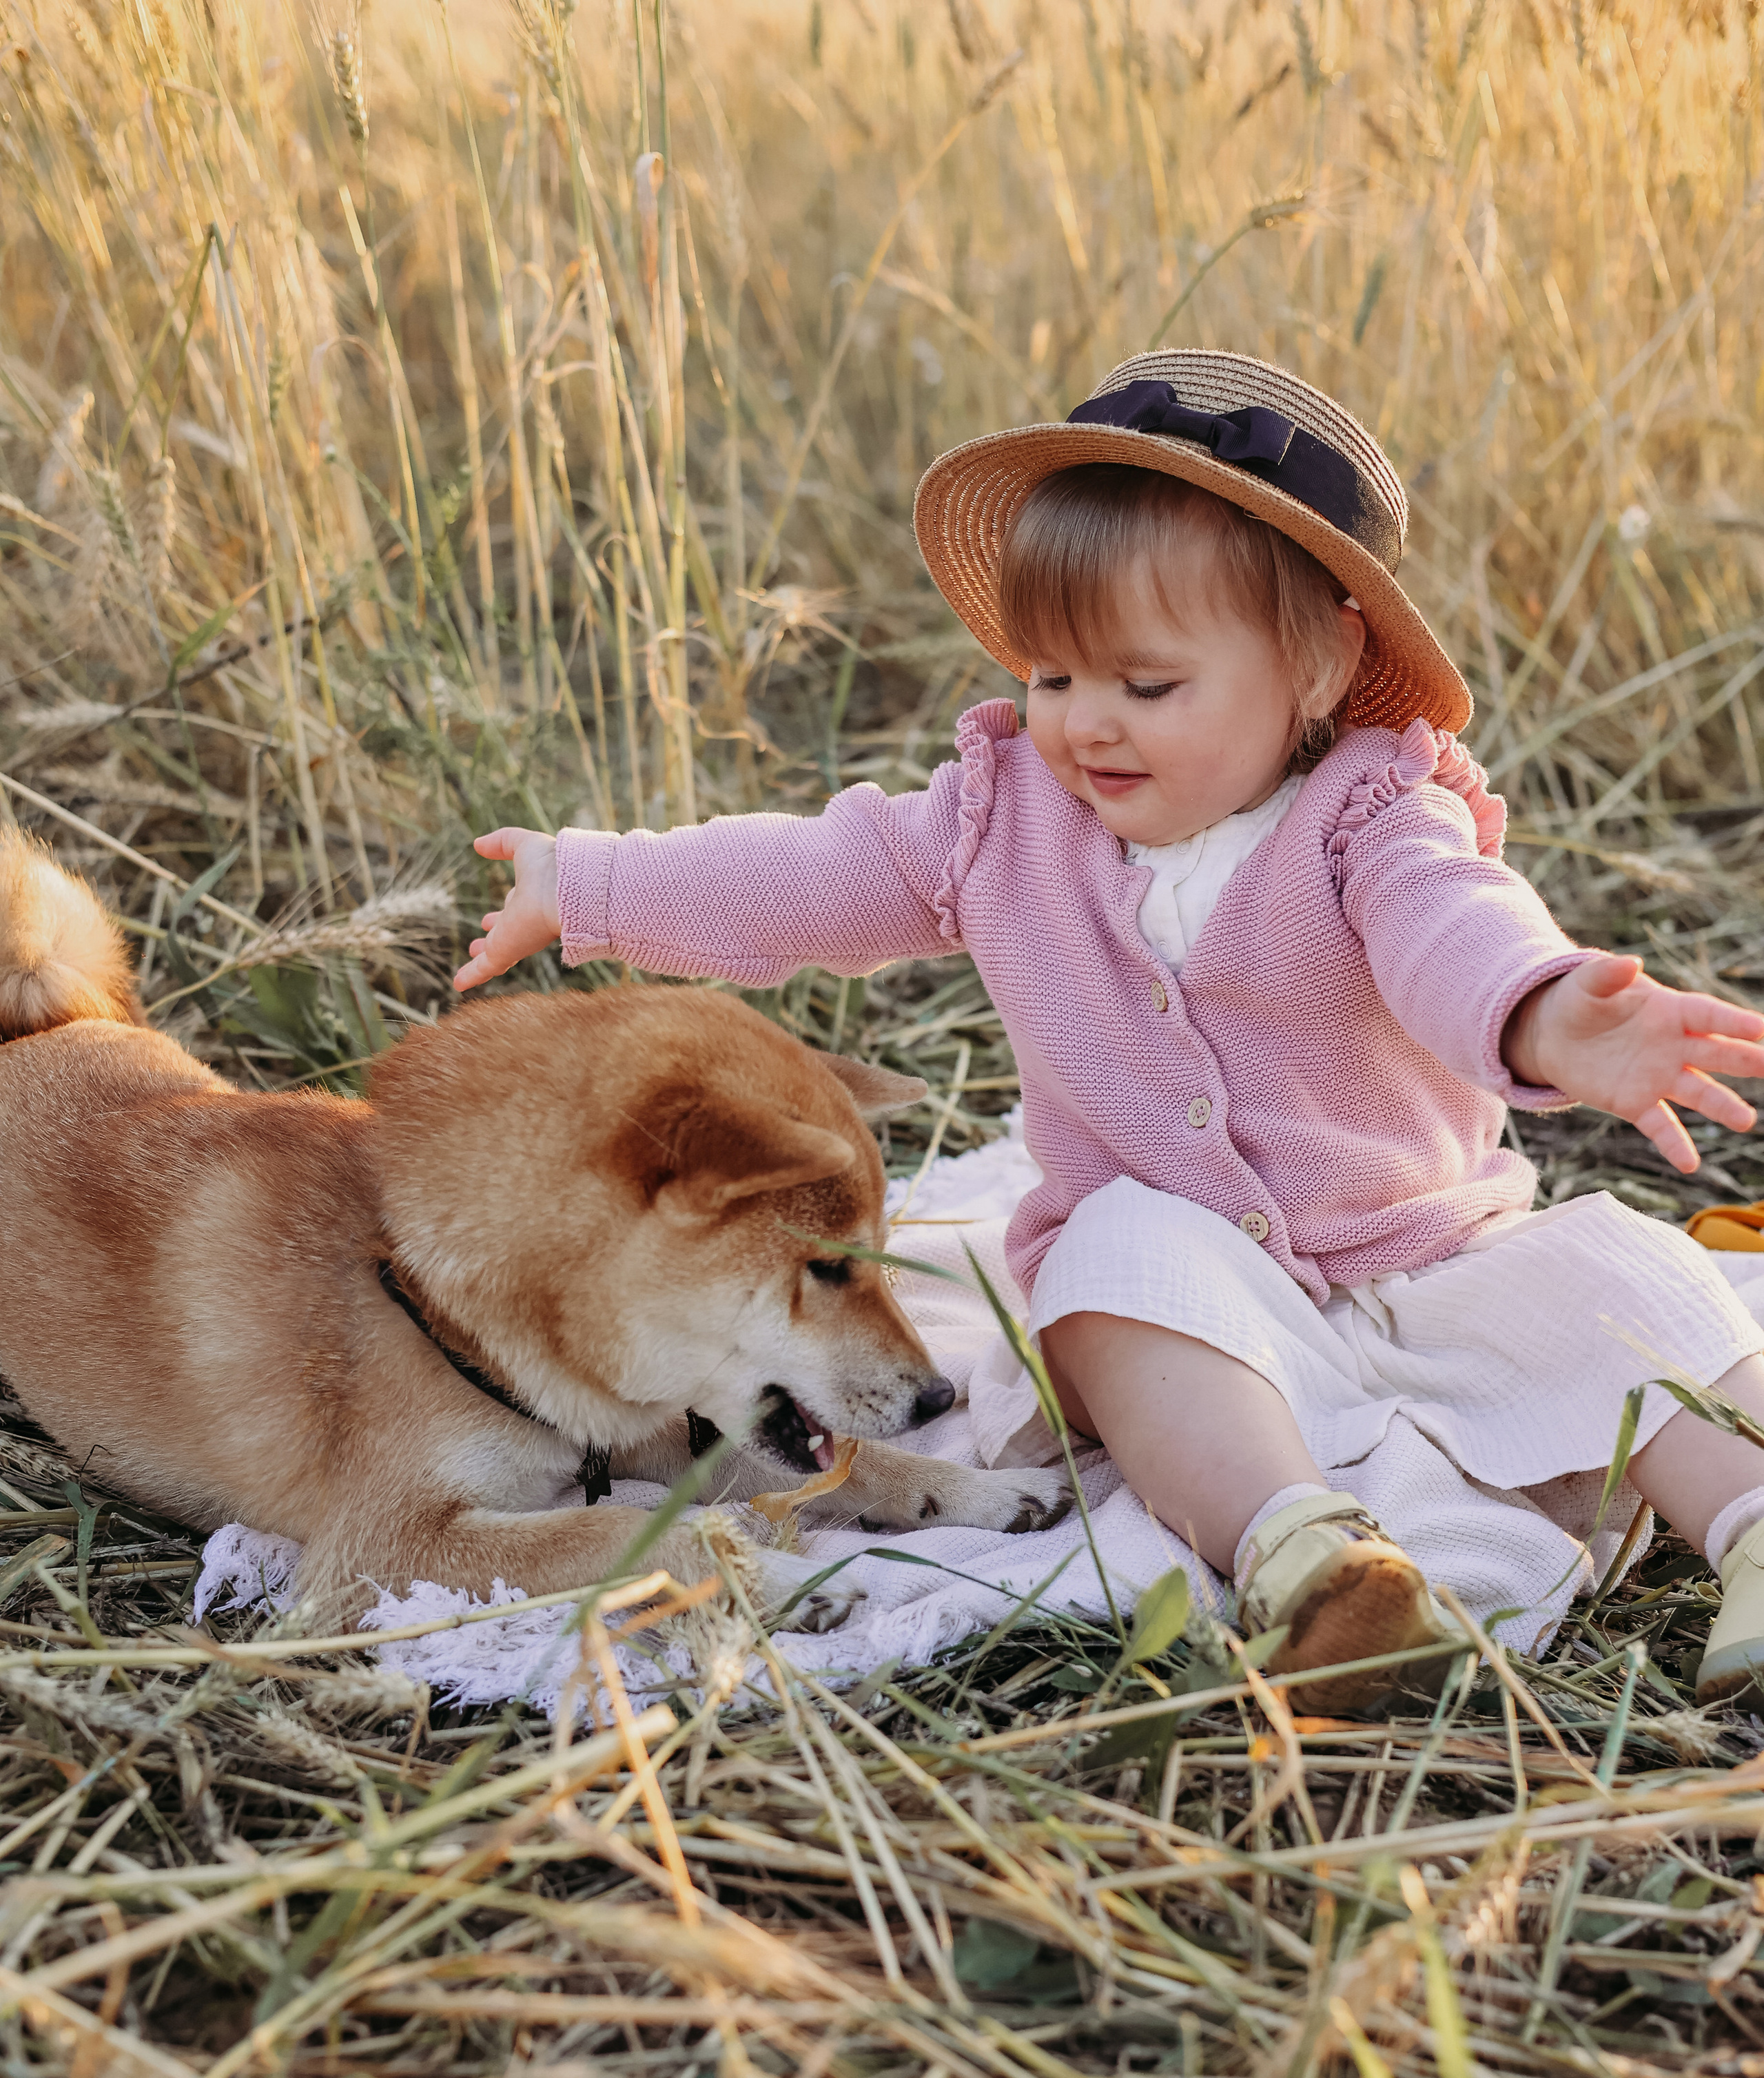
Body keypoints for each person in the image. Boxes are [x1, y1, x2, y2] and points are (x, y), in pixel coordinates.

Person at [455, 347, 1764, 1708]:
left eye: (1145, 687)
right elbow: (809, 878)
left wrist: (1550, 1016)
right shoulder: (1000, 817)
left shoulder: (1375, 817)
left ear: (1317, 665)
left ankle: (1748, 1527)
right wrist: (594, 884)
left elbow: (1457, 935)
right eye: (1051, 675)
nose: (1084, 726)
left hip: (1425, 1258)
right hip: (1189, 1300)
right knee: (1105, 1252)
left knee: (1613, 1279)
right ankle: (1306, 1561)